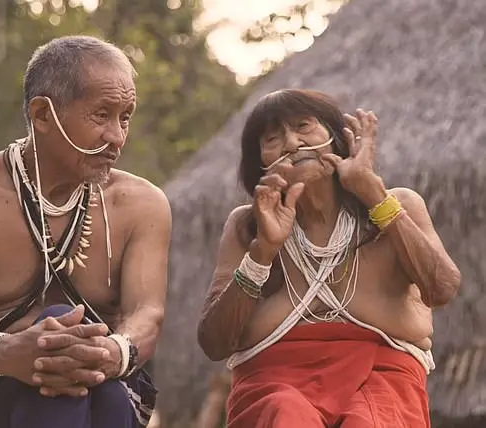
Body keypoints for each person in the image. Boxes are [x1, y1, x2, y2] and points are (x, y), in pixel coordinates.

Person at [0, 35, 172, 428]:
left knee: (95, 383)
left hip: (107, 391)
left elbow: (147, 314)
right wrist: (10, 352)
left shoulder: (143, 204)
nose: (117, 137)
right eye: (102, 115)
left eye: (126, 116)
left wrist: (110, 352)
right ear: (42, 114)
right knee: (61, 358)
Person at [197, 89, 461, 428]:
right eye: (273, 138)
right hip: (273, 383)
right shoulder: (246, 226)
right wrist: (263, 251)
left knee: (369, 421)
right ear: (260, 163)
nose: (292, 144)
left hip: (382, 380)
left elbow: (442, 290)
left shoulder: (397, 205)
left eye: (303, 126)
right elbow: (215, 343)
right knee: (284, 413)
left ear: (336, 137)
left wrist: (373, 194)